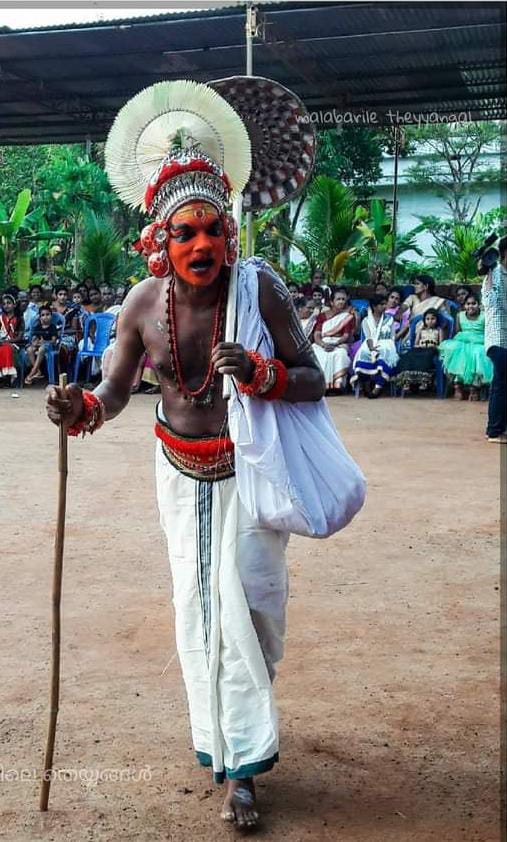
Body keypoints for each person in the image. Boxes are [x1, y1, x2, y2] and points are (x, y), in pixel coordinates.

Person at [46, 77, 347, 832]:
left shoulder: (261, 290)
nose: (202, 244)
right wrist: (81, 408)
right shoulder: (142, 306)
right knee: (196, 611)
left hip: (249, 466)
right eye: (185, 233)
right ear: (159, 241)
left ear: (231, 234)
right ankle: (235, 761)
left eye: (213, 229)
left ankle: (240, 740)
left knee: (248, 611)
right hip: (178, 469)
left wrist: (263, 373)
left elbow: (314, 378)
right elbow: (114, 392)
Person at [438, 293, 493, 401]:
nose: (471, 306)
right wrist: (463, 342)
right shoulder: (460, 315)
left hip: (480, 342)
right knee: (457, 352)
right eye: (468, 304)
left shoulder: (485, 316)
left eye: (473, 303)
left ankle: (474, 388)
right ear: (464, 306)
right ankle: (457, 387)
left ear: (479, 305)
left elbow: (488, 332)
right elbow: (458, 332)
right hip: (462, 341)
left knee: (478, 353)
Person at [480, 236, 507, 442]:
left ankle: (498, 427)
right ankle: (494, 430)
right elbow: (498, 304)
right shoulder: (496, 274)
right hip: (498, 339)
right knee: (500, 384)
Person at [351, 294, 399, 397]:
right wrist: (372, 348)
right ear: (374, 306)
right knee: (364, 353)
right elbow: (368, 337)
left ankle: (377, 388)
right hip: (370, 343)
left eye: (385, 304)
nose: (384, 306)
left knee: (383, 353)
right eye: (381, 304)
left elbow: (392, 336)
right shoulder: (366, 320)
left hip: (386, 343)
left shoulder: (389, 319)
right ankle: (366, 386)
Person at [312, 288, 354, 393]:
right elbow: (317, 334)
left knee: (340, 354)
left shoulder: (347, 317)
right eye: (338, 299)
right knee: (317, 353)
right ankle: (321, 385)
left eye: (343, 299)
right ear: (332, 302)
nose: (341, 301)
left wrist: (335, 343)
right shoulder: (322, 316)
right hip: (322, 342)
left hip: (339, 343)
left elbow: (345, 336)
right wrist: (323, 344)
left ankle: (336, 386)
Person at [395, 308, 443, 394]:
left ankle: (423, 381)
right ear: (424, 320)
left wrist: (435, 346)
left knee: (426, 357)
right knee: (408, 356)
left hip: (432, 349)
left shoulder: (438, 330)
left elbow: (441, 345)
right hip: (420, 348)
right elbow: (415, 344)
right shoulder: (421, 330)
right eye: (427, 319)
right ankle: (406, 381)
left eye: (433, 319)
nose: (430, 321)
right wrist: (420, 346)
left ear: (437, 320)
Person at [25, 304, 59, 384]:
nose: (45, 317)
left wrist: (45, 342)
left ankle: (32, 372)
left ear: (51, 316)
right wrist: (34, 342)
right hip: (39, 345)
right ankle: (38, 371)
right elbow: (34, 338)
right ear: (40, 317)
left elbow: (54, 341)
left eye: (48, 314)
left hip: (49, 347)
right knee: (29, 349)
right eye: (43, 315)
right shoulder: (38, 327)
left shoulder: (52, 327)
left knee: (42, 349)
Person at [0, 293, 23, 384]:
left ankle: (7, 378)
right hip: (1, 341)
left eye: (9, 303)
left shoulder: (19, 319)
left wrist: (6, 341)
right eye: (4, 304)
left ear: (14, 305)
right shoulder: (1, 318)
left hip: (14, 343)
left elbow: (19, 337)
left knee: (6, 348)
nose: (6, 305)